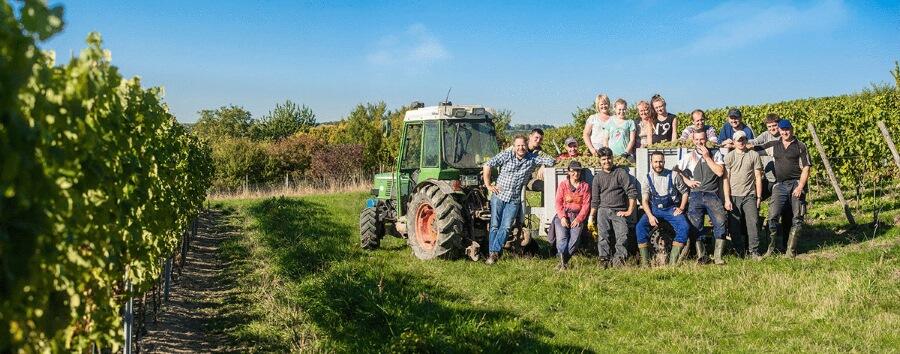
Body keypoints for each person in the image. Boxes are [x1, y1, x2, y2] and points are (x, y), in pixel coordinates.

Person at [483, 135, 556, 265]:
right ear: (514, 146)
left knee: (505, 227)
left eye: (523, 145)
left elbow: (551, 160)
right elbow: (488, 164)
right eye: (518, 145)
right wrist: (488, 185)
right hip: (499, 196)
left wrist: (543, 165)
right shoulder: (506, 155)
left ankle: (494, 252)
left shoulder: (532, 159)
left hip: (514, 199)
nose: (520, 148)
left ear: (526, 145)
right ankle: (493, 253)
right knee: (494, 225)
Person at [758, 119, 811, 258]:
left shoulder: (800, 146)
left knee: (797, 217)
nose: (785, 132)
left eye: (787, 129)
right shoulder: (774, 145)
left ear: (792, 129)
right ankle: (771, 249)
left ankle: (790, 251)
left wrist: (800, 186)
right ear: (779, 131)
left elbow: (806, 168)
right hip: (780, 185)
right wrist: (738, 144)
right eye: (782, 130)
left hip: (796, 184)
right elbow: (757, 148)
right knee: (772, 216)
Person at [675, 130, 728, 265]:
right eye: (697, 140)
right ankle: (702, 256)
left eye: (702, 139)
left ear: (706, 139)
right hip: (696, 194)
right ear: (693, 141)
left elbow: (720, 172)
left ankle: (717, 257)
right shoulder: (689, 156)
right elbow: (676, 169)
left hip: (712, 194)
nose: (700, 142)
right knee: (695, 225)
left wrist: (707, 157)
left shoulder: (715, 154)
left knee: (720, 222)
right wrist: (687, 181)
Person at [636, 151, 690, 266]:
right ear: (651, 162)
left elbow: (685, 193)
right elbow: (644, 201)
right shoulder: (647, 178)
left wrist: (681, 207)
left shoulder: (674, 175)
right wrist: (650, 216)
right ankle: (646, 263)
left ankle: (672, 263)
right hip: (654, 209)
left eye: (660, 161)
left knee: (684, 226)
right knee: (640, 227)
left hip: (671, 209)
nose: (658, 164)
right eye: (655, 162)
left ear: (664, 162)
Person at [588, 147, 638, 268]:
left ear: (612, 158)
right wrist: (591, 217)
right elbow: (595, 200)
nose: (607, 161)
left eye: (609, 158)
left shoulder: (620, 173)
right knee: (603, 236)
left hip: (618, 210)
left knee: (623, 235)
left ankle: (619, 259)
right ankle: (604, 259)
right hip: (603, 210)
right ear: (600, 161)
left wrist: (629, 211)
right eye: (603, 159)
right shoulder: (597, 178)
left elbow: (631, 192)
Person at [722, 131, 764, 259]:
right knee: (734, 225)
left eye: (743, 139)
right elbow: (726, 179)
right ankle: (739, 251)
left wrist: (758, 197)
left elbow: (758, 177)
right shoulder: (729, 157)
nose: (741, 142)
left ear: (746, 140)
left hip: (749, 195)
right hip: (734, 196)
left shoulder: (753, 155)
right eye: (738, 140)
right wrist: (727, 199)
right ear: (734, 142)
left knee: (753, 222)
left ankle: (754, 251)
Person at [552, 160, 591, 270]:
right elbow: (558, 202)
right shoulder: (563, 185)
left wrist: (579, 219)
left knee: (574, 241)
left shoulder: (585, 186)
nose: (576, 174)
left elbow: (586, 205)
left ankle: (562, 262)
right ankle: (562, 264)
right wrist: (562, 217)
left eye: (578, 171)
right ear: (568, 172)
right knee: (562, 239)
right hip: (563, 215)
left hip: (577, 217)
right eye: (573, 171)